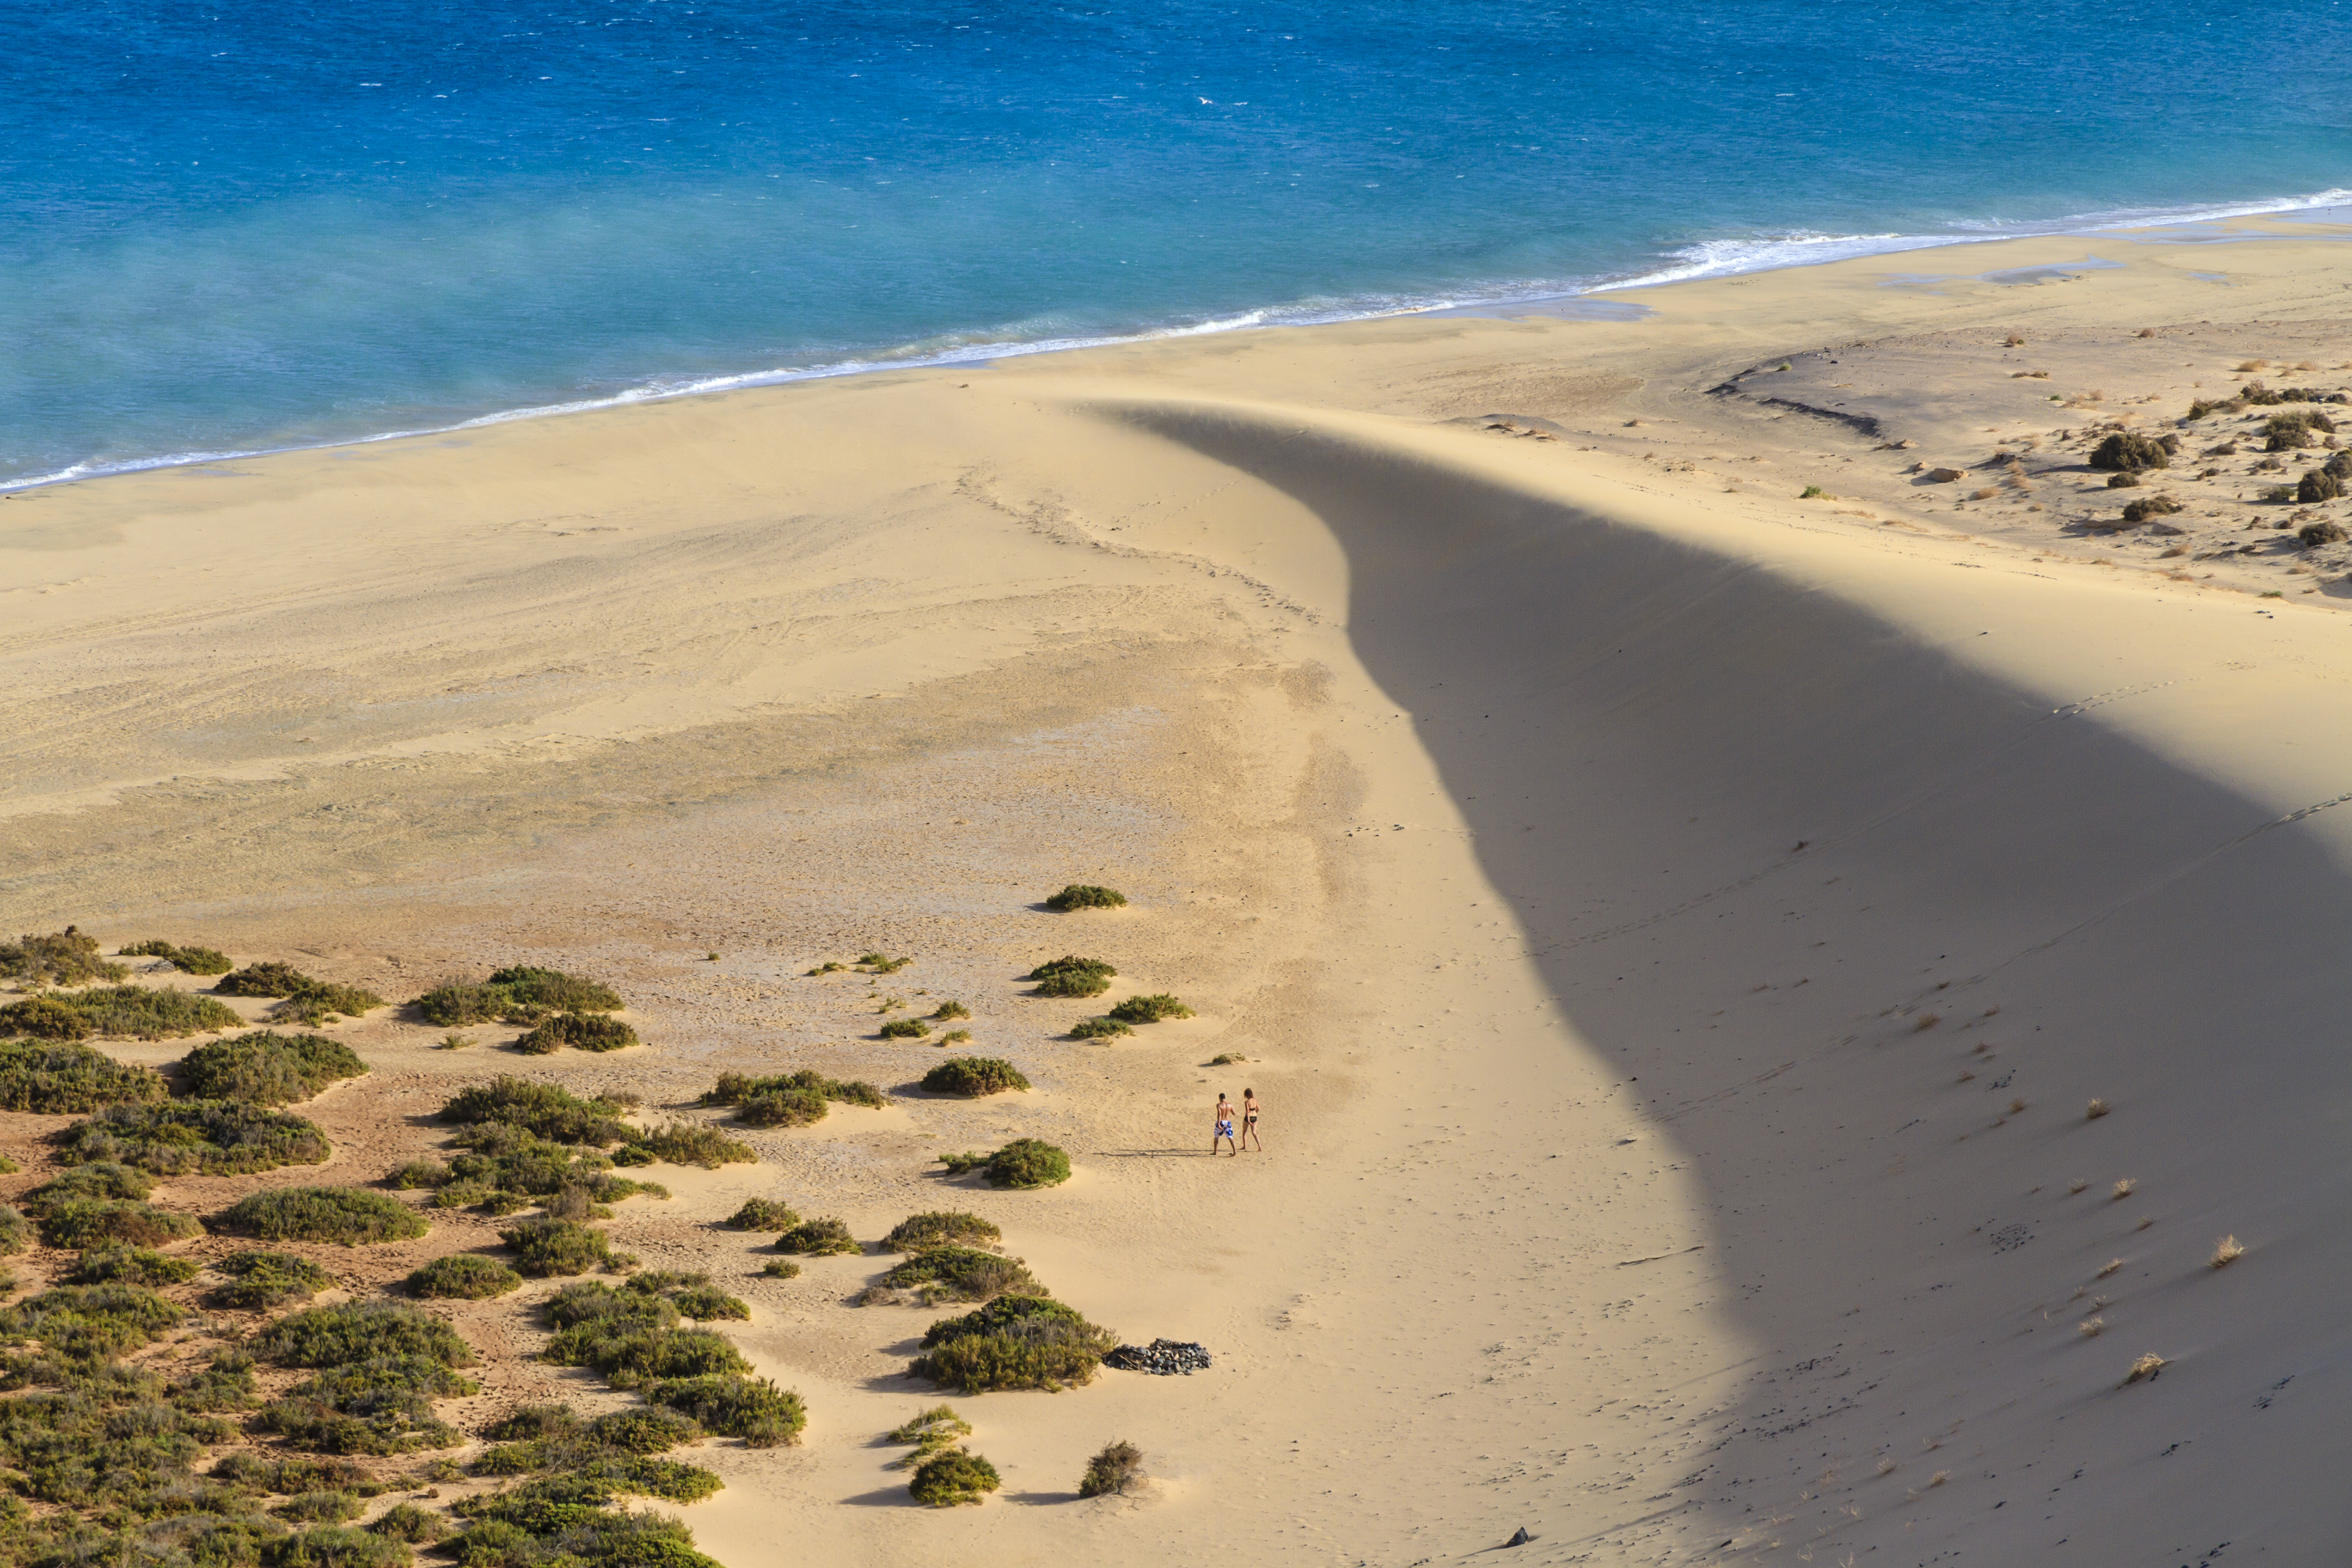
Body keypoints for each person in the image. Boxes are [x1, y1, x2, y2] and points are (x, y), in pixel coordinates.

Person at [1212, 1092, 1237, 1156]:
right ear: (1225, 1098)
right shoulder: (1230, 1105)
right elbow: (1234, 1113)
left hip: (1222, 1122)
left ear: (1220, 1098)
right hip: (1228, 1122)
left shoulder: (1219, 1105)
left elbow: (1220, 1115)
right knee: (1230, 1137)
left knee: (1216, 1137)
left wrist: (1219, 1124)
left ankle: (1215, 1151)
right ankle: (1235, 1151)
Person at [1239, 1087, 1262, 1153]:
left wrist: (1248, 1120)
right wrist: (1255, 1113)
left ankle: (1245, 1146)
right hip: (1255, 1117)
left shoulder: (1247, 1102)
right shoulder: (1255, 1100)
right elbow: (1258, 1109)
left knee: (1244, 1131)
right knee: (1254, 1133)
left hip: (1248, 1118)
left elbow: (1248, 1112)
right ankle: (1259, 1146)